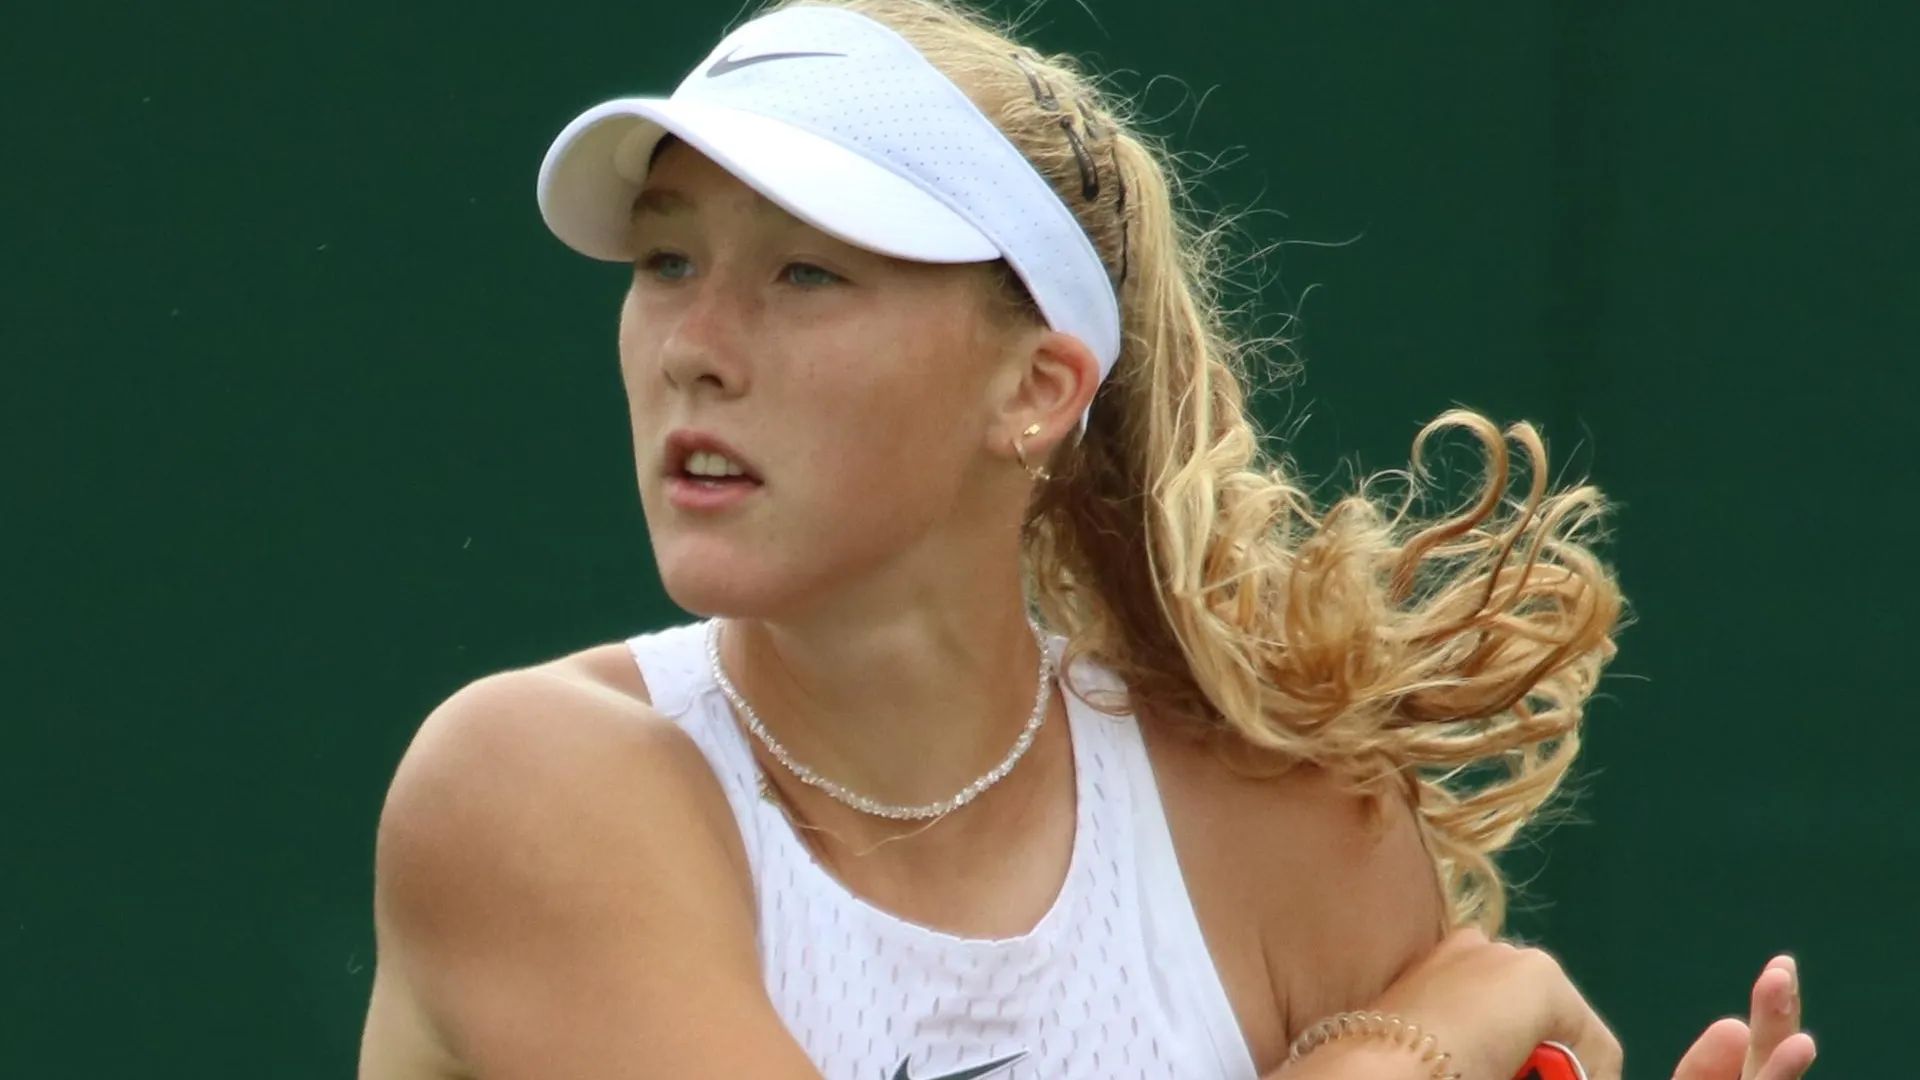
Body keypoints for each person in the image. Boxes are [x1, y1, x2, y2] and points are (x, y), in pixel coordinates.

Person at [356, 1, 1818, 1078]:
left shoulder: (1295, 834)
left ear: (1036, 390)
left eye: (805, 273)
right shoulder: (526, 789)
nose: (693, 345)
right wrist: (1407, 1048)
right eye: (668, 259)